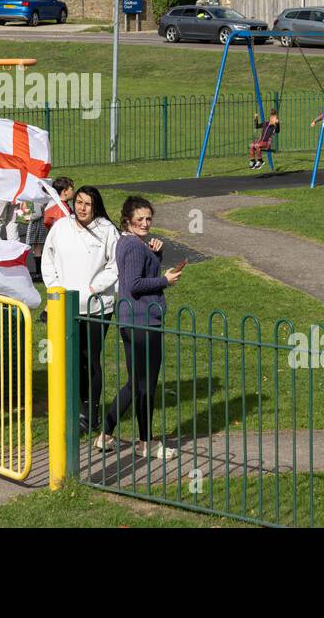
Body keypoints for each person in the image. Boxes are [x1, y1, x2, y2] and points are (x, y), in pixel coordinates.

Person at [98, 196, 184, 459]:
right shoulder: (134, 246)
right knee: (145, 384)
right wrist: (165, 280)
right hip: (143, 320)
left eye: (149, 219)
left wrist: (155, 254)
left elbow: (134, 275)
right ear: (127, 220)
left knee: (137, 383)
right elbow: (135, 283)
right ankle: (145, 442)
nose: (146, 223)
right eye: (140, 219)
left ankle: (107, 433)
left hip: (131, 319)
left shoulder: (128, 242)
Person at [41, 185, 118, 433]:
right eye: (79, 202)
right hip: (65, 304)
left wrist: (94, 288)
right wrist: (55, 288)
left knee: (91, 359)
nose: (82, 208)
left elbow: (114, 267)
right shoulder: (61, 227)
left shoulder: (107, 230)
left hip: (97, 307)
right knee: (72, 360)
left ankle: (91, 412)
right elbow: (48, 259)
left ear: (96, 206)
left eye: (88, 204)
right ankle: (74, 407)